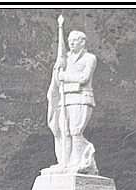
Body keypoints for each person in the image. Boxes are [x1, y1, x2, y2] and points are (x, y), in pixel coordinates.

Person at [48, 28, 98, 174]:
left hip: (81, 98)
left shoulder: (89, 58)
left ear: (82, 42)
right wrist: (58, 73)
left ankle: (77, 162)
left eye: (74, 40)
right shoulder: (65, 59)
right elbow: (57, 80)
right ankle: (65, 162)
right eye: (69, 41)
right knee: (64, 131)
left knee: (76, 131)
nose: (71, 43)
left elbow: (84, 78)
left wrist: (65, 77)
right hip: (65, 98)